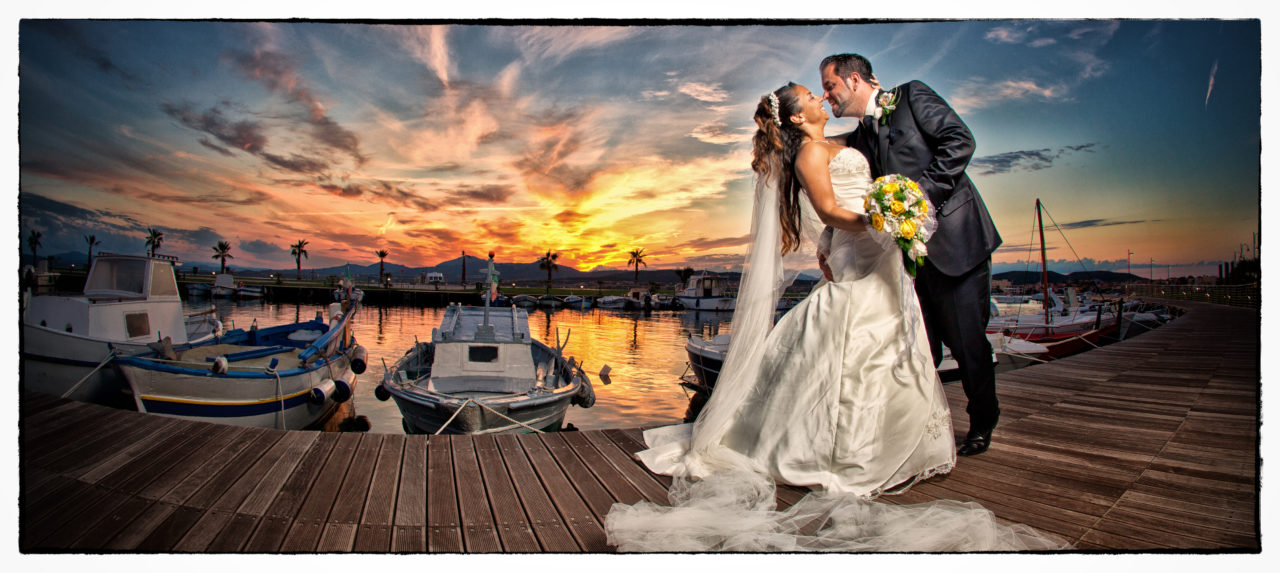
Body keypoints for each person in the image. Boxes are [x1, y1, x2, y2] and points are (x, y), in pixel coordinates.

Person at [604, 83, 1059, 551]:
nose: (821, 98)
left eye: (825, 89)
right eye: (811, 95)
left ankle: (899, 440)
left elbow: (875, 175)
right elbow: (826, 208)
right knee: (858, 336)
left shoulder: (841, 141)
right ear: (797, 118)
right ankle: (842, 449)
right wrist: (883, 221)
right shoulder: (808, 155)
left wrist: (888, 218)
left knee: (893, 340)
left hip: (883, 253)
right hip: (865, 246)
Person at [819, 53, 1003, 456]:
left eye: (829, 86)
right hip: (904, 258)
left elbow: (960, 140)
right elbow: (852, 191)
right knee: (920, 346)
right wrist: (828, 237)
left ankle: (982, 422)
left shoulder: (912, 96)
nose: (826, 95)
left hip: (956, 243)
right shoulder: (861, 135)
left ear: (853, 79)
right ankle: (920, 429)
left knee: (968, 342)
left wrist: (920, 197)